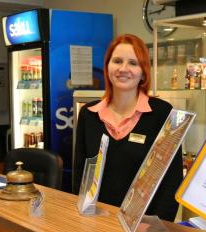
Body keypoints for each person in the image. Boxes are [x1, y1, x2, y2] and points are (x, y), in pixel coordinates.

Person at [73, 34, 183, 222]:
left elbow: (172, 181)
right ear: (107, 66)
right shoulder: (88, 114)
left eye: (133, 63)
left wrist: (154, 225)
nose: (124, 69)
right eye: (117, 61)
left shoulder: (163, 114)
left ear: (143, 72)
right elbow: (79, 177)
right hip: (95, 222)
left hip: (141, 229)